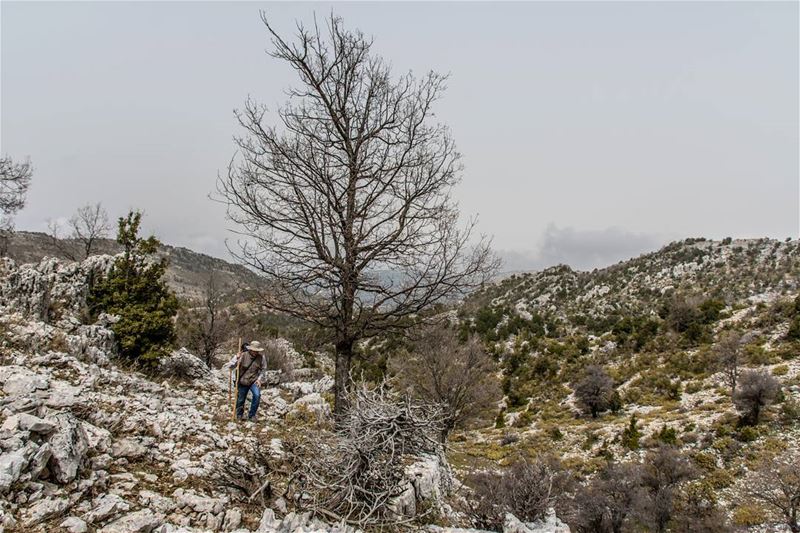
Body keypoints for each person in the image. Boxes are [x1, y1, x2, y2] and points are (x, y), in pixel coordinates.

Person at [228, 340, 267, 421]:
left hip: (253, 380)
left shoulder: (261, 358)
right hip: (242, 381)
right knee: (241, 399)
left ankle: (252, 415)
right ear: (250, 349)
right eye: (254, 351)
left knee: (257, 395)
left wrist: (259, 379)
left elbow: (263, 369)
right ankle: (239, 415)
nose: (255, 352)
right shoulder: (242, 355)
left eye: (257, 351)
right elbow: (231, 366)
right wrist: (236, 358)